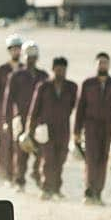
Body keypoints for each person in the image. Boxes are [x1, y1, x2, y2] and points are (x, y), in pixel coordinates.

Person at [75, 51, 111, 205]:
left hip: (107, 126)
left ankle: (98, 192)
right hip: (90, 125)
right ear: (96, 64)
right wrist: (76, 131)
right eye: (100, 62)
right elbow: (80, 107)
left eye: (105, 62)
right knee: (90, 158)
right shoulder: (88, 84)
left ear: (109, 65)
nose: (102, 65)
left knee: (103, 159)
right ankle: (89, 191)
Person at [27, 56, 78, 200]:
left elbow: (73, 106)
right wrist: (29, 130)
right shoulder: (43, 87)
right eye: (58, 69)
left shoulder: (72, 87)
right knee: (48, 159)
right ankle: (46, 188)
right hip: (45, 129)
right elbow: (34, 109)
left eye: (63, 69)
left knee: (60, 158)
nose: (60, 72)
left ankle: (56, 188)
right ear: (53, 69)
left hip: (63, 128)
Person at [3, 41, 49, 192]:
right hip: (20, 119)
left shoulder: (43, 76)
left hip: (39, 120)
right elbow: (9, 100)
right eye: (29, 56)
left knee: (41, 151)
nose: (31, 59)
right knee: (20, 152)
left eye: (34, 56)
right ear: (24, 56)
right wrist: (7, 120)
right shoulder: (16, 76)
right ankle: (19, 181)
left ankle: (37, 174)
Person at [0, 33, 24, 185]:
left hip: (19, 114)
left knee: (17, 146)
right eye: (13, 49)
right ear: (9, 50)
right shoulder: (1, 70)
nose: (16, 51)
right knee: (3, 145)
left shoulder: (24, 69)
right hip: (3, 113)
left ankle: (13, 177)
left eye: (18, 48)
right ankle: (1, 175)